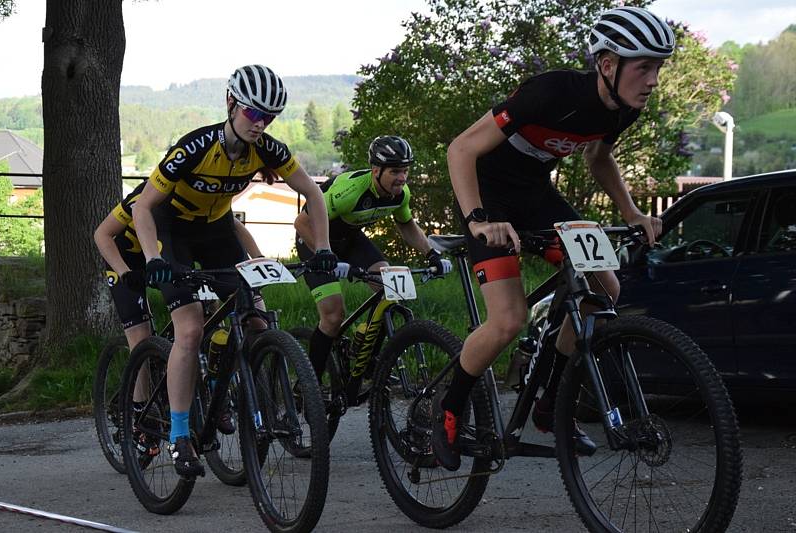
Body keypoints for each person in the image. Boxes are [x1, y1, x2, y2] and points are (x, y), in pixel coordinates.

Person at [435, 6, 673, 470]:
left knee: (604, 290)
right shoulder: (549, 93)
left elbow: (598, 161)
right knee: (509, 319)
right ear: (609, 64)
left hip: (537, 198)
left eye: (658, 67)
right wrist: (479, 218)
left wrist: (633, 212)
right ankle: (447, 408)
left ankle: (548, 402)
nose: (653, 80)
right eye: (644, 66)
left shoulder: (623, 109)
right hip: (488, 199)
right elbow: (461, 148)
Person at [131, 65, 336, 478]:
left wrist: (325, 248)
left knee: (256, 314)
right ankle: (180, 435)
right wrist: (154, 259)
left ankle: (234, 390)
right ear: (230, 103)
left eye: (269, 117)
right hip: (174, 231)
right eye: (252, 114)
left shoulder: (268, 149)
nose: (260, 124)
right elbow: (142, 206)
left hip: (218, 230)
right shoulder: (195, 147)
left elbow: (312, 192)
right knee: (189, 329)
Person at [93, 180, 266, 455]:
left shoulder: (193, 197)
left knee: (208, 315)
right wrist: (124, 272)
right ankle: (141, 413)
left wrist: (259, 258)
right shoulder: (144, 199)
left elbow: (230, 225)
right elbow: (102, 234)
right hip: (128, 260)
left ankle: (214, 389)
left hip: (168, 255)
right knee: (140, 337)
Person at [294, 136, 452, 384]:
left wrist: (431, 253)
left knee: (387, 286)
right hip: (314, 239)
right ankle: (310, 382)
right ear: (376, 171)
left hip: (350, 238)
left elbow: (407, 225)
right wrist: (326, 256)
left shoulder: (400, 194)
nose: (402, 177)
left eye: (406, 171)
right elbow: (302, 222)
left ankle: (368, 360)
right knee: (334, 315)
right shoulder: (350, 192)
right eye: (395, 171)